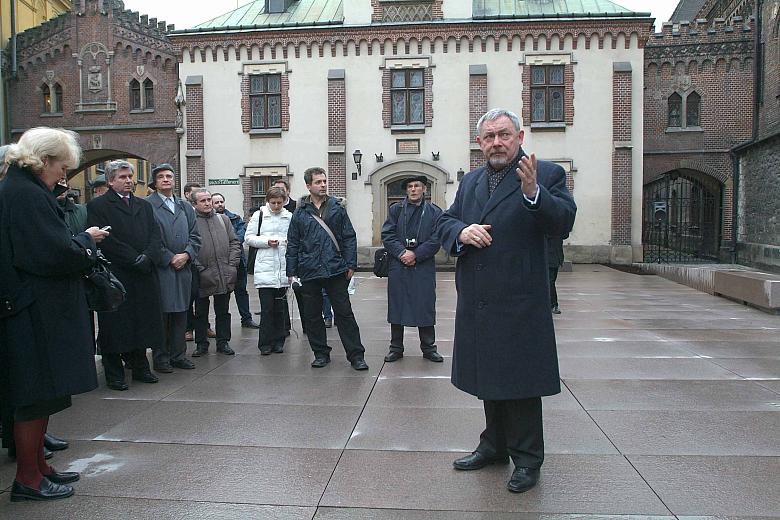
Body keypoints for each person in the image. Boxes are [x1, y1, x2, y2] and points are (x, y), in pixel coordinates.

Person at [437, 108, 576, 494]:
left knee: (520, 384)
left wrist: (534, 195)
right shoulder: (471, 182)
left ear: (520, 136)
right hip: (479, 300)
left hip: (519, 301)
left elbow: (563, 221)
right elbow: (446, 220)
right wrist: (462, 231)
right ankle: (494, 447)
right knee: (489, 379)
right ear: (480, 143)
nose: (496, 143)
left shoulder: (546, 174)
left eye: (504, 135)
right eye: (488, 137)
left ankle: (527, 460)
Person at [0, 127, 109, 501]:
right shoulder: (26, 194)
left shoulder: (23, 190)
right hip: (34, 313)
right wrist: (84, 241)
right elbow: (51, 253)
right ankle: (28, 478)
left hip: (36, 309)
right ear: (44, 160)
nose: (63, 175)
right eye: (62, 167)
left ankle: (39, 468)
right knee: (34, 396)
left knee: (45, 395)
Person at [86, 160, 165, 391]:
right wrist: (133, 258)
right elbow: (106, 239)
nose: (129, 181)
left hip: (143, 273)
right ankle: (114, 374)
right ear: (110, 180)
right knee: (115, 326)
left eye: (130, 176)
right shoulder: (98, 206)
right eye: (122, 177)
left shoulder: (144, 205)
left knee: (142, 322)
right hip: (118, 273)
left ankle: (140, 367)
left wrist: (148, 257)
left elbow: (155, 235)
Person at [286, 167, 368, 370]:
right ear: (308, 185)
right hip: (309, 270)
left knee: (344, 314)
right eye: (318, 182)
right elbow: (293, 243)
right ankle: (321, 353)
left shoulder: (337, 208)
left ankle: (356, 355)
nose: (323, 185)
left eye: (324, 181)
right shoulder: (300, 213)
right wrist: (291, 271)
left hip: (335, 269)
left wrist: (351, 264)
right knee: (313, 315)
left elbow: (349, 237)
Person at [381, 175, 444, 363]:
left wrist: (416, 254)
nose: (413, 189)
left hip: (423, 266)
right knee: (397, 305)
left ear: (424, 189)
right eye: (410, 186)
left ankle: (428, 347)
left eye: (417, 186)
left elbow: (437, 238)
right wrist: (402, 253)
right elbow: (387, 235)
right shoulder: (396, 210)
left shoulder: (434, 212)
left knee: (424, 305)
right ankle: (396, 347)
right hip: (399, 265)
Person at [146, 164, 201, 373]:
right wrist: (169, 258)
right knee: (162, 314)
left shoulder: (185, 206)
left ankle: (179, 355)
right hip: (162, 268)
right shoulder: (147, 205)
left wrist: (186, 254)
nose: (166, 179)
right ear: (155, 182)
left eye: (169, 176)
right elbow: (150, 238)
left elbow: (195, 236)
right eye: (161, 177)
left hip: (184, 267)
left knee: (181, 313)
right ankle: (161, 357)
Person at [190, 189, 240, 357]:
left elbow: (234, 242)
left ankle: (223, 342)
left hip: (224, 272)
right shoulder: (191, 222)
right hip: (202, 274)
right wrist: (200, 268)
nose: (207, 203)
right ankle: (201, 343)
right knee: (201, 311)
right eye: (202, 200)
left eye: (209, 199)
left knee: (223, 310)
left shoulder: (223, 219)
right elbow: (189, 246)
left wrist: (232, 265)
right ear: (194, 204)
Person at [245, 187, 292, 355]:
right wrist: (266, 241)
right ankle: (265, 343)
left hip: (282, 267)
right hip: (265, 267)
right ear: (268, 201)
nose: (277, 206)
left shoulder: (288, 217)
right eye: (273, 203)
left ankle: (279, 341)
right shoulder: (259, 216)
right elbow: (248, 238)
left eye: (280, 202)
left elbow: (294, 238)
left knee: (280, 308)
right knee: (267, 309)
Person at [212, 192, 259, 329]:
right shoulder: (209, 220)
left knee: (241, 291)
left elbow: (239, 237)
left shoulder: (235, 218)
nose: (220, 204)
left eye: (221, 201)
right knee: (222, 296)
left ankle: (246, 319)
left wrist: (225, 244)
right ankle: (221, 325)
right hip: (220, 264)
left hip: (238, 263)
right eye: (217, 202)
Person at [272, 178, 305, 332]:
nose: (279, 192)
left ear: (288, 192)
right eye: (275, 188)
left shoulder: (296, 207)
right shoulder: (268, 209)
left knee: (301, 293)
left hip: (295, 255)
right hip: (276, 258)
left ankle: (307, 326)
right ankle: (284, 327)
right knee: (281, 296)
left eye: (281, 189)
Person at [546, 234, 567, 314]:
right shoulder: (558, 228)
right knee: (551, 282)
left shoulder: (549, 230)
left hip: (550, 259)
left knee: (550, 282)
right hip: (556, 258)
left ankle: (553, 305)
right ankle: (552, 304)